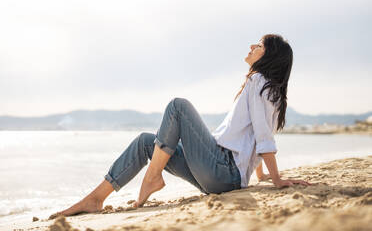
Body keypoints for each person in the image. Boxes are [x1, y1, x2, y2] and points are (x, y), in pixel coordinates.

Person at [52, 34, 311, 218]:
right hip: (221, 176)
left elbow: (263, 135)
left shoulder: (259, 82)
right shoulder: (270, 91)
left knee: (178, 106)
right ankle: (96, 199)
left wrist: (275, 179)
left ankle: (152, 178)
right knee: (146, 142)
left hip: (222, 172)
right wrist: (261, 175)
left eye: (260, 44)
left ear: (270, 56)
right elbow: (256, 136)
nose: (252, 46)